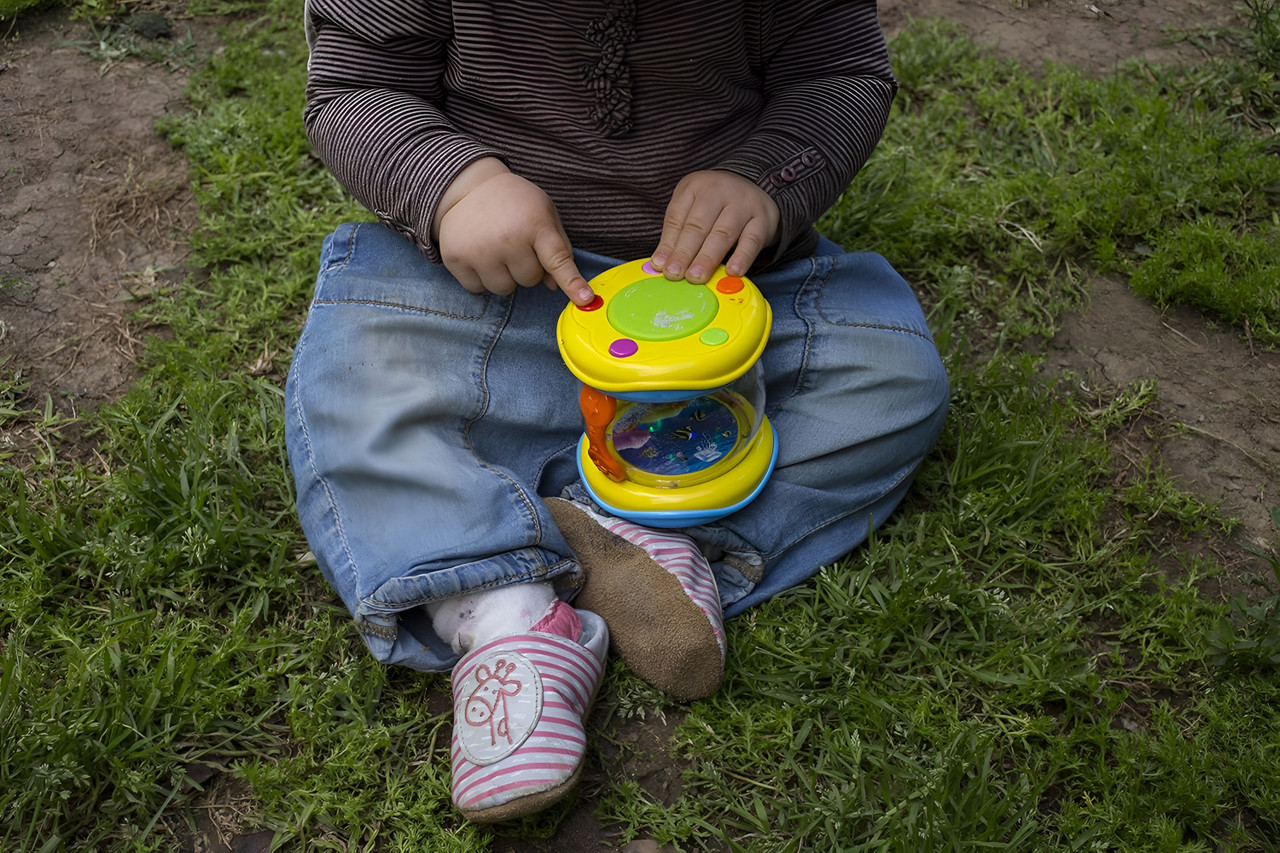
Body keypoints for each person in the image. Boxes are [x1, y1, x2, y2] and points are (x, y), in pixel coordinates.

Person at [288, 0, 949, 823]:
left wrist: (765, 177)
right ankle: (502, 613)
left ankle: (653, 535)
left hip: (716, 316)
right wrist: (455, 183)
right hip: (500, 298)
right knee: (360, 372)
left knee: (889, 373)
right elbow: (355, 85)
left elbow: (839, 72)